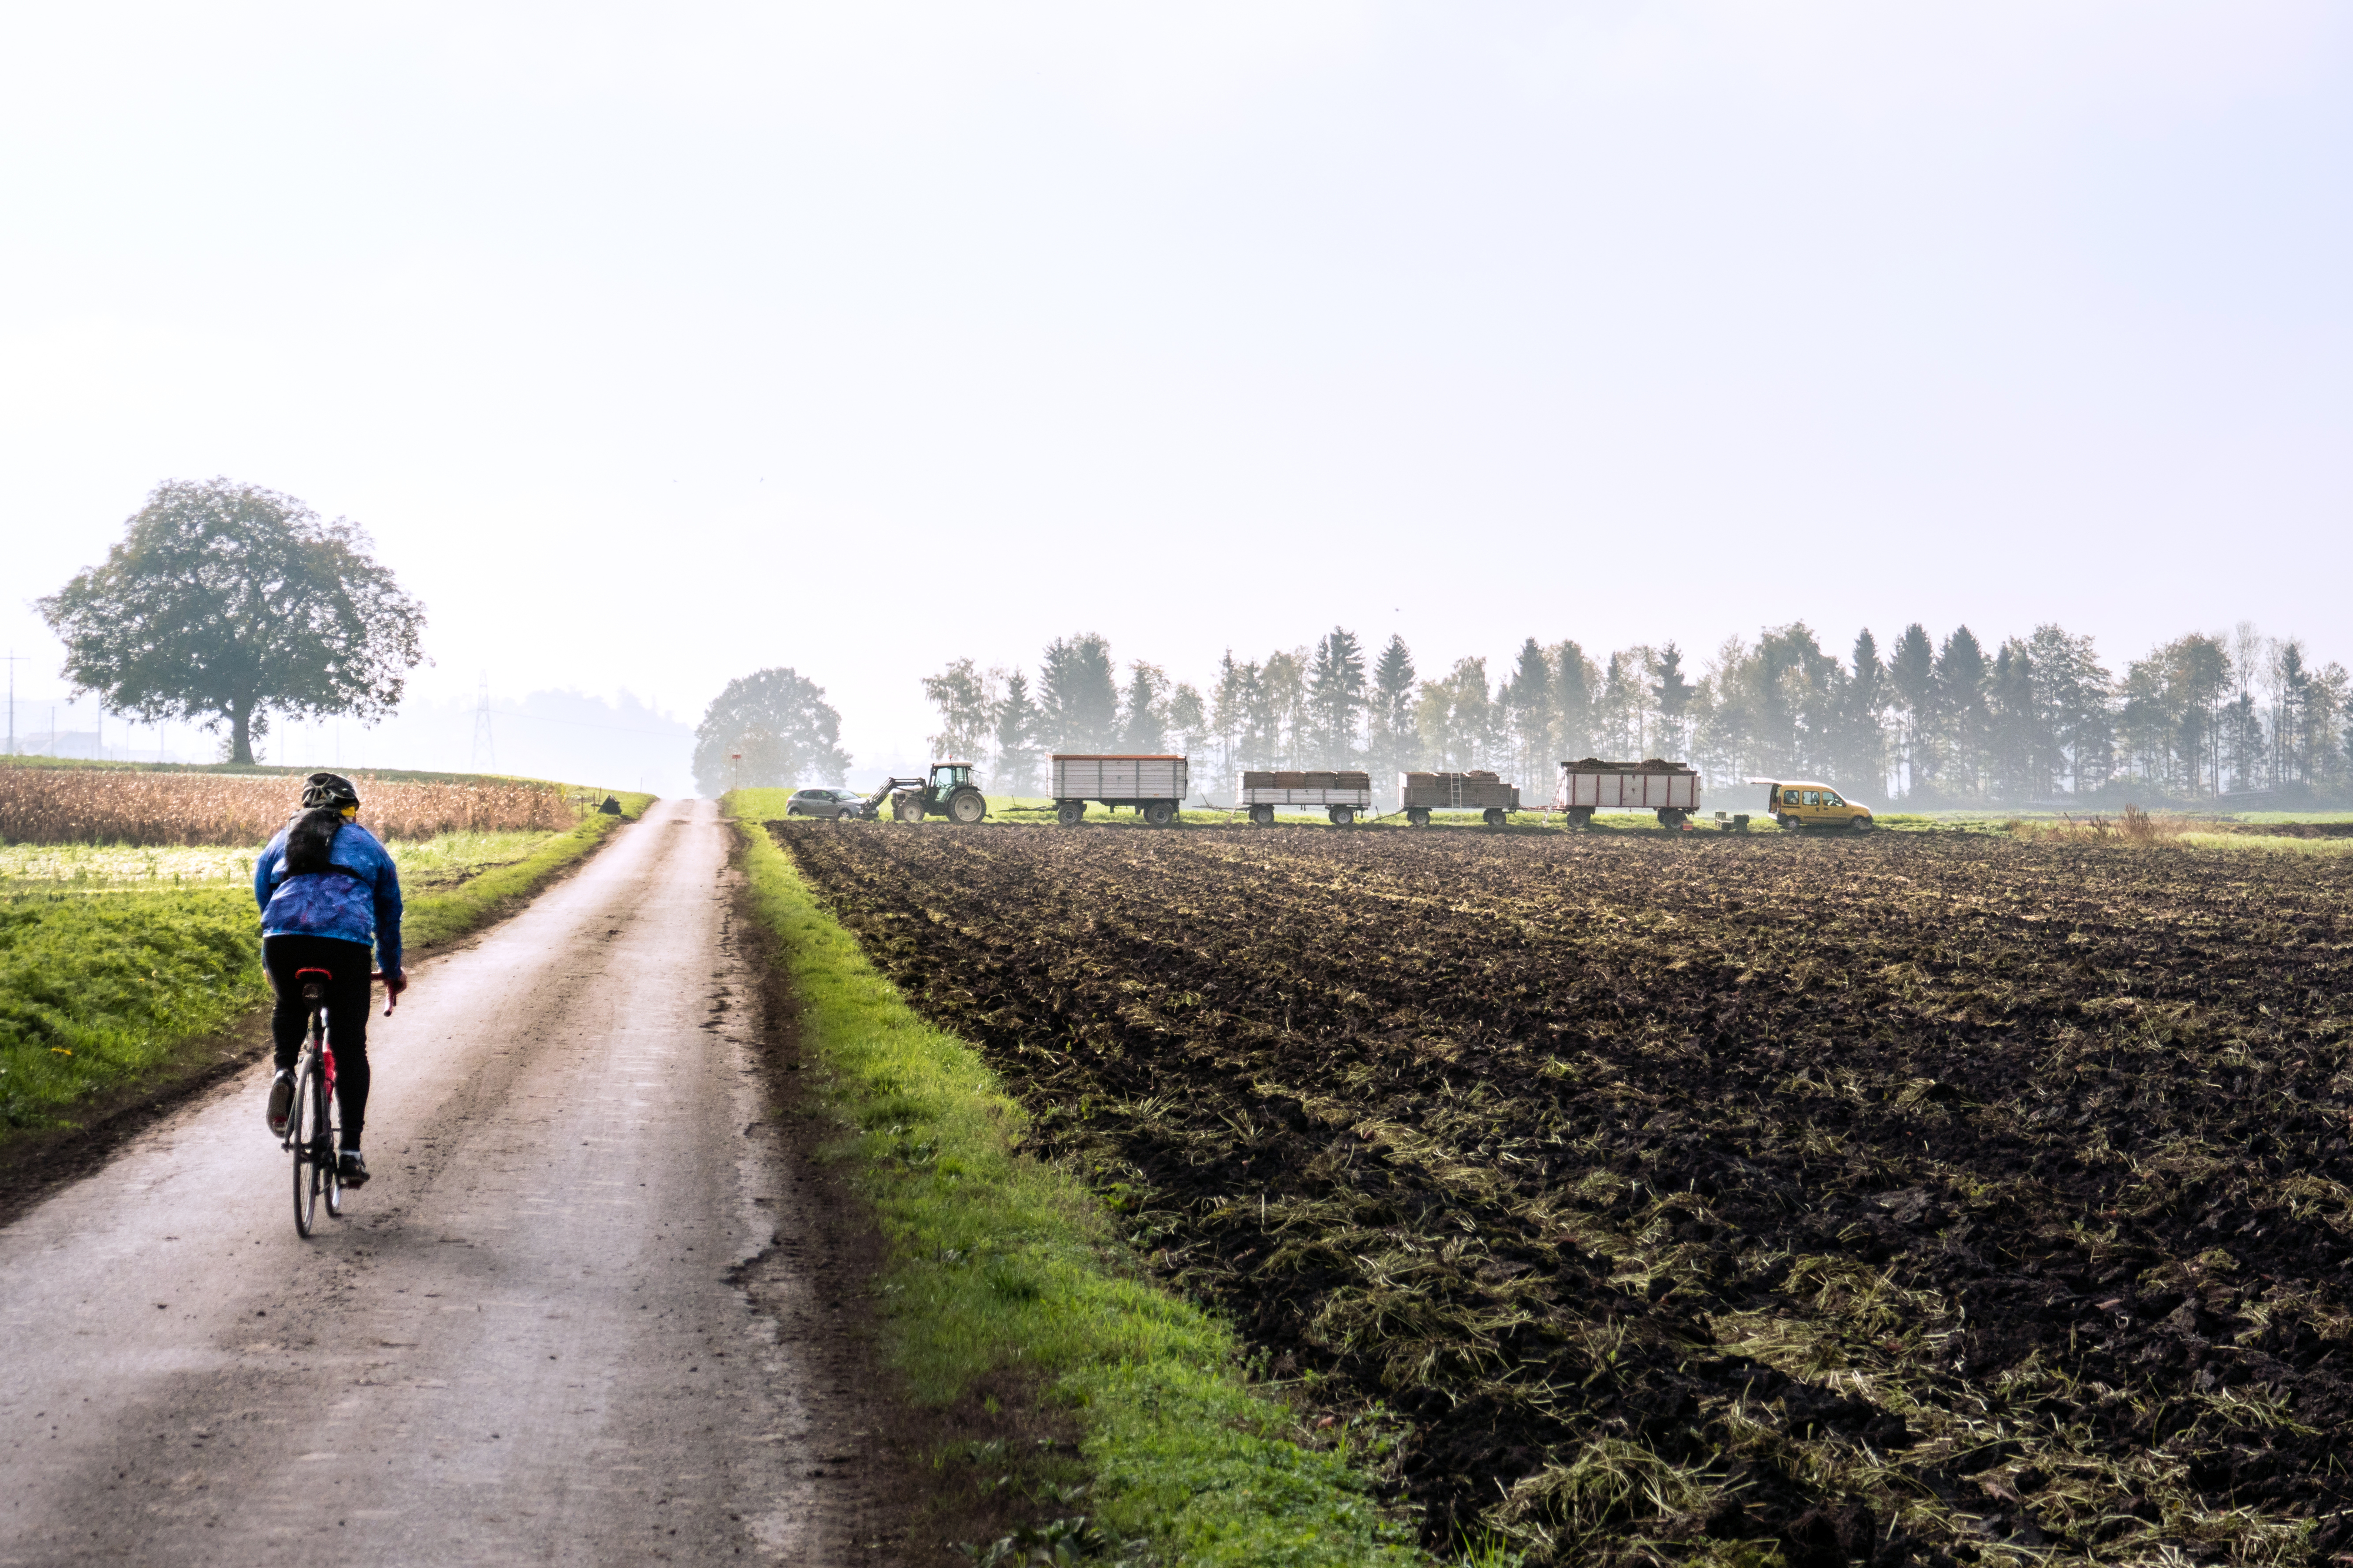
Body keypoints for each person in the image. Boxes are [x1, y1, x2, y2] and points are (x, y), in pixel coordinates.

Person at [255, 772, 407, 1187]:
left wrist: (279, 934)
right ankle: (351, 1152)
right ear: (350, 811)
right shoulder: (367, 844)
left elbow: (262, 891)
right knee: (350, 1046)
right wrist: (391, 969)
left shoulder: (281, 839)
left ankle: (285, 1071)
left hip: (283, 940)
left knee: (288, 1003)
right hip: (344, 948)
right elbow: (389, 914)